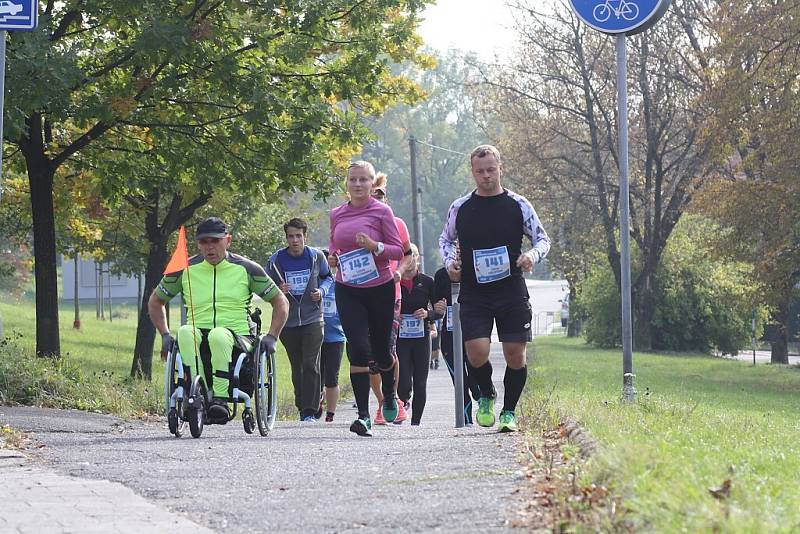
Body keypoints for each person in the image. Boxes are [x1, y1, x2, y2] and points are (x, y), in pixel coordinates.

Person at [439, 144, 551, 432]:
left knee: (516, 354)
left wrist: (530, 256)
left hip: (510, 289)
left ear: (501, 169)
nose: (486, 176)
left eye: (491, 170)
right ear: (473, 173)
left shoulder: (518, 204)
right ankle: (486, 393)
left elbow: (542, 239)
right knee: (476, 352)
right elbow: (446, 239)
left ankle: (509, 412)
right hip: (475, 291)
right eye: (480, 172)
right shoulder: (460, 207)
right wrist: (451, 262)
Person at [149, 217, 289, 422]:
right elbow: (156, 301)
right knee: (185, 332)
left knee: (219, 335)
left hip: (238, 337)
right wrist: (165, 334)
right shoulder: (183, 269)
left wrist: (273, 336)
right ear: (198, 244)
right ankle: (195, 396)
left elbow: (280, 302)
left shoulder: (247, 269)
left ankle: (220, 400)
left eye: (215, 241)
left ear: (228, 240)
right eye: (204, 242)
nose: (209, 247)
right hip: (197, 332)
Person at [329, 161, 406, 436]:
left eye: (364, 180)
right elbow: (334, 244)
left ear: (373, 184)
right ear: (347, 183)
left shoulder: (382, 211)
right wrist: (332, 257)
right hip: (347, 288)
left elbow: (398, 251)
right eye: (353, 180)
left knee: (383, 352)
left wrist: (375, 247)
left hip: (379, 287)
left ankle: (390, 392)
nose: (358, 184)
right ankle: (363, 416)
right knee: (359, 348)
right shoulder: (337, 214)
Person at [266, 218, 333, 422]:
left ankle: (309, 410)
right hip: (288, 320)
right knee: (297, 366)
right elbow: (265, 286)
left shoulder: (316, 257)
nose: (294, 240)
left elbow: (328, 278)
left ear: (305, 236)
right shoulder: (276, 260)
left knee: (311, 363)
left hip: (313, 318)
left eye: (298, 236)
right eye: (290, 236)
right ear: (286, 238)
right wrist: (278, 289)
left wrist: (321, 291)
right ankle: (302, 404)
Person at [369, 173, 412, 425]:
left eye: (380, 194)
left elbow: (408, 256)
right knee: (370, 356)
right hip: (360, 293)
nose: (377, 199)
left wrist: (399, 271)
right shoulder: (355, 223)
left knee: (387, 350)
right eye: (372, 194)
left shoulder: (397, 224)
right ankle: (381, 403)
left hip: (389, 294)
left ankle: (391, 397)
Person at [432, 266, 481, 425]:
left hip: (473, 334)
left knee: (476, 382)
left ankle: (484, 400)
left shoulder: (475, 269)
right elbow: (436, 308)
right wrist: (437, 309)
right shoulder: (440, 275)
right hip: (449, 337)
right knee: (460, 383)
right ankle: (466, 421)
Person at [396, 244, 438, 426]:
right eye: (406, 256)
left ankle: (416, 424)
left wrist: (428, 314)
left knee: (421, 382)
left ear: (418, 258)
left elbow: (439, 310)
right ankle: (403, 402)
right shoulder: (394, 282)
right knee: (404, 380)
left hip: (422, 338)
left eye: (413, 255)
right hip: (401, 338)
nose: (410, 260)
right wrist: (395, 315)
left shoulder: (428, 282)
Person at [320, 249, 345, 422]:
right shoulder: (312, 284)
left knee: (331, 376)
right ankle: (314, 404)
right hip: (314, 336)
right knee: (315, 375)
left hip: (335, 337)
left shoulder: (340, 285)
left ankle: (330, 414)